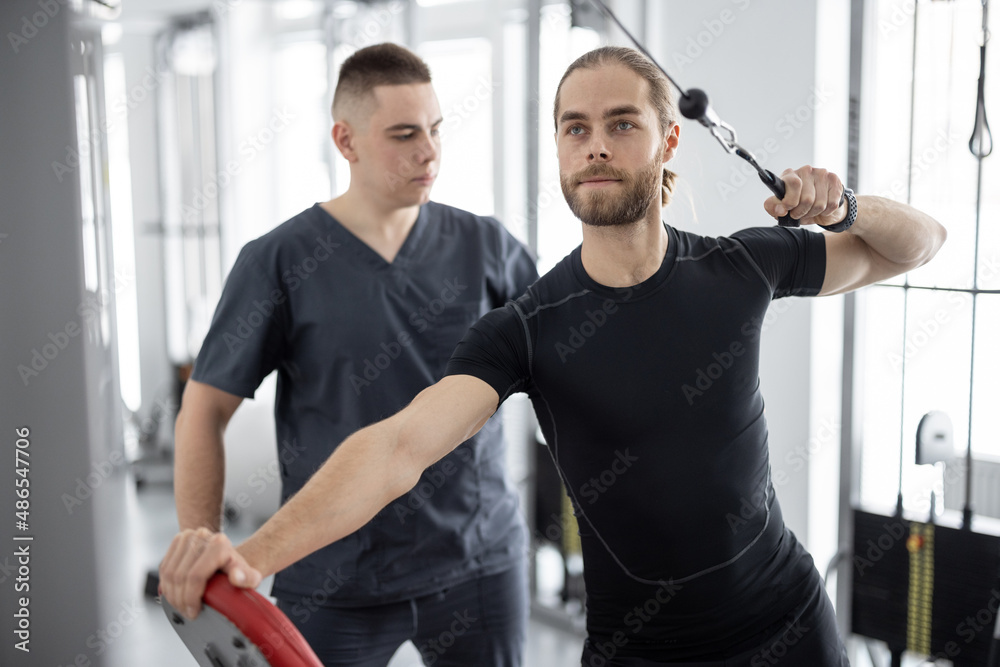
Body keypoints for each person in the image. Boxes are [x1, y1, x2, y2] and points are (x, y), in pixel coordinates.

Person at [161, 46, 946, 666]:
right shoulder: (526, 328)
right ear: (560, 149)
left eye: (621, 124)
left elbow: (918, 245)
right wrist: (252, 553)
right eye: (575, 128)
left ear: (668, 139)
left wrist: (845, 206)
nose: (595, 145)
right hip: (637, 648)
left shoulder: (741, 267)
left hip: (787, 623)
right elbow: (400, 447)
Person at [169, 43, 537, 667]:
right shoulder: (280, 262)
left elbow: (567, 351)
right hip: (334, 576)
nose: (429, 152)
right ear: (347, 141)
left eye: (436, 129)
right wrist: (200, 543)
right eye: (403, 135)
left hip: (478, 564)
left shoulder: (485, 244)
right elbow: (204, 409)